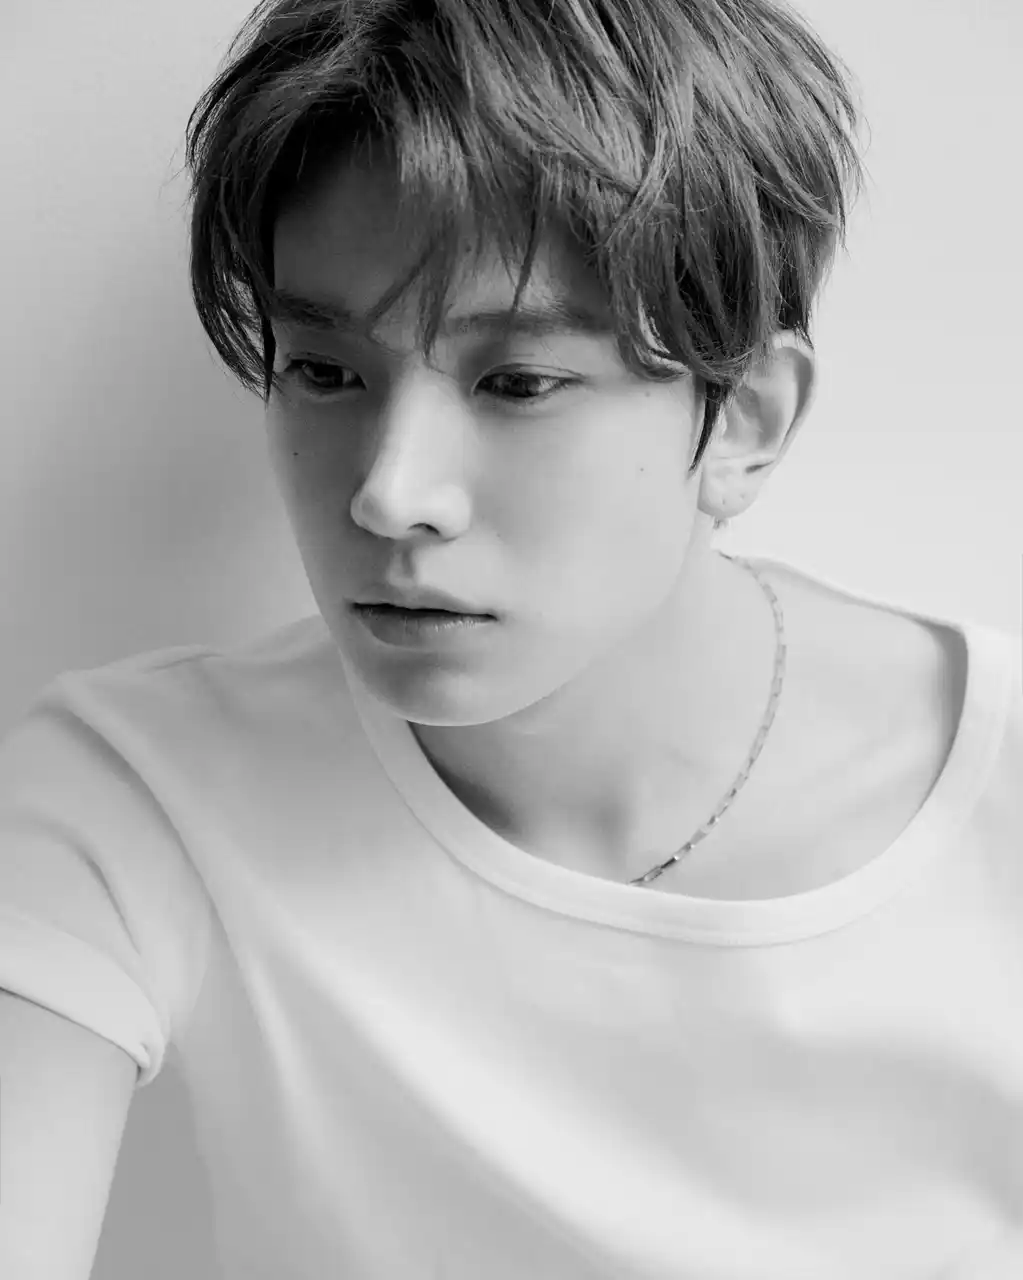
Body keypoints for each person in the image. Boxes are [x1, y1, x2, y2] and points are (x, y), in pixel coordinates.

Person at [1, 1, 1020, 1277]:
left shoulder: (990, 798)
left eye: (518, 382)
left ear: (747, 420)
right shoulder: (139, 790)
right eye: (324, 371)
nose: (391, 493)